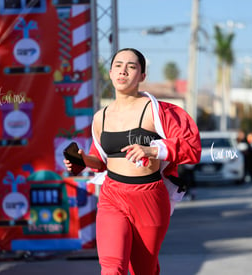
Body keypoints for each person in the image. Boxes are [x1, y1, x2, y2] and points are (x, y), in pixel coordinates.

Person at [64, 48, 201, 275]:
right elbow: (100, 161)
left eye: (131, 66)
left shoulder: (158, 111)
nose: (123, 71)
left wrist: (153, 149)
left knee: (143, 270)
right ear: (109, 73)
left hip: (149, 197)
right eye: (118, 65)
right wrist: (81, 160)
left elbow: (192, 148)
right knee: (112, 267)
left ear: (142, 76)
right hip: (112, 196)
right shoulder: (100, 117)